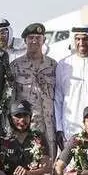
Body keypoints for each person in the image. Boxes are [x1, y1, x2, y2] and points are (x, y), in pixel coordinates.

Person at [11, 23, 58, 159]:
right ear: (25, 40)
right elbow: (12, 98)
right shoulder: (15, 66)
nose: (34, 41)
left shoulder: (53, 65)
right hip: (26, 127)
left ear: (43, 40)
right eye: (31, 37)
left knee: (49, 166)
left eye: (38, 38)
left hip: (49, 126)